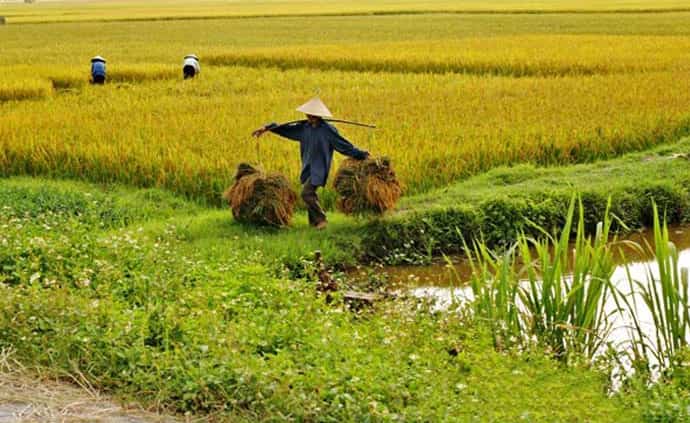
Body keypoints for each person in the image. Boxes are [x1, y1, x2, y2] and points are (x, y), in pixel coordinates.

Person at [252, 97, 369, 229]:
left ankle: (321, 219)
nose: (310, 117)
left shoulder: (328, 130)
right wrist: (267, 128)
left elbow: (343, 145)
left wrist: (361, 154)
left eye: (313, 115)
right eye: (308, 114)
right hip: (307, 166)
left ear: (319, 115)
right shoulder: (304, 128)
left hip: (319, 168)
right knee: (309, 194)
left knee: (306, 193)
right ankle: (314, 225)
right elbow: (286, 130)